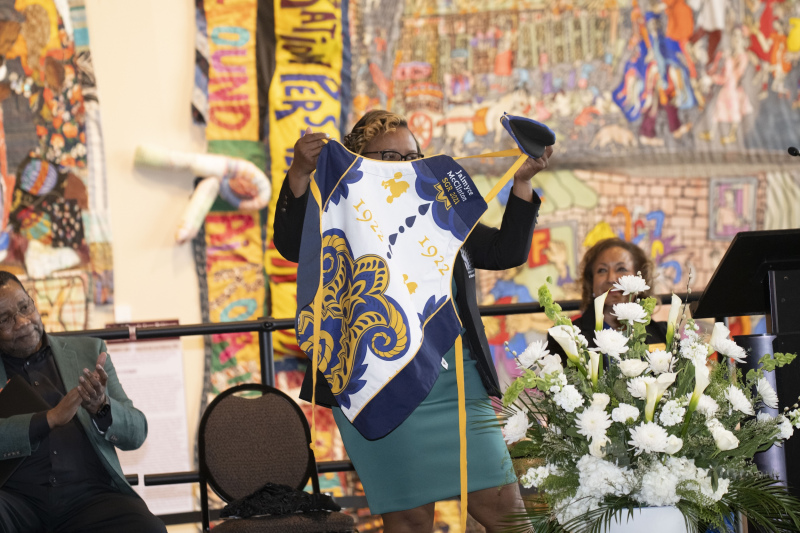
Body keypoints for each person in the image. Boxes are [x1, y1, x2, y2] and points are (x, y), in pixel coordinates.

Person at [274, 110, 553, 533]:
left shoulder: (436, 211)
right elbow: (294, 246)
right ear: (357, 162)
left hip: (458, 386)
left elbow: (504, 251)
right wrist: (299, 174)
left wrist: (523, 182)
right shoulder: (338, 211)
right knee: (408, 522)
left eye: (414, 155)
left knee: (507, 512)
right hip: (376, 383)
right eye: (390, 155)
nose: (406, 164)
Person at [0, 271, 166, 532]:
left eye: (24, 307)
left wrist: (102, 408)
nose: (22, 322)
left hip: (89, 500)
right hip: (16, 503)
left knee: (147, 528)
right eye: (5, 319)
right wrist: (48, 419)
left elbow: (137, 432)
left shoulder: (89, 352)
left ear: (33, 301)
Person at [548, 238, 668, 364]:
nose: (611, 278)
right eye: (602, 270)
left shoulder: (662, 333)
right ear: (591, 282)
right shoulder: (565, 336)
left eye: (621, 269)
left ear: (640, 278)